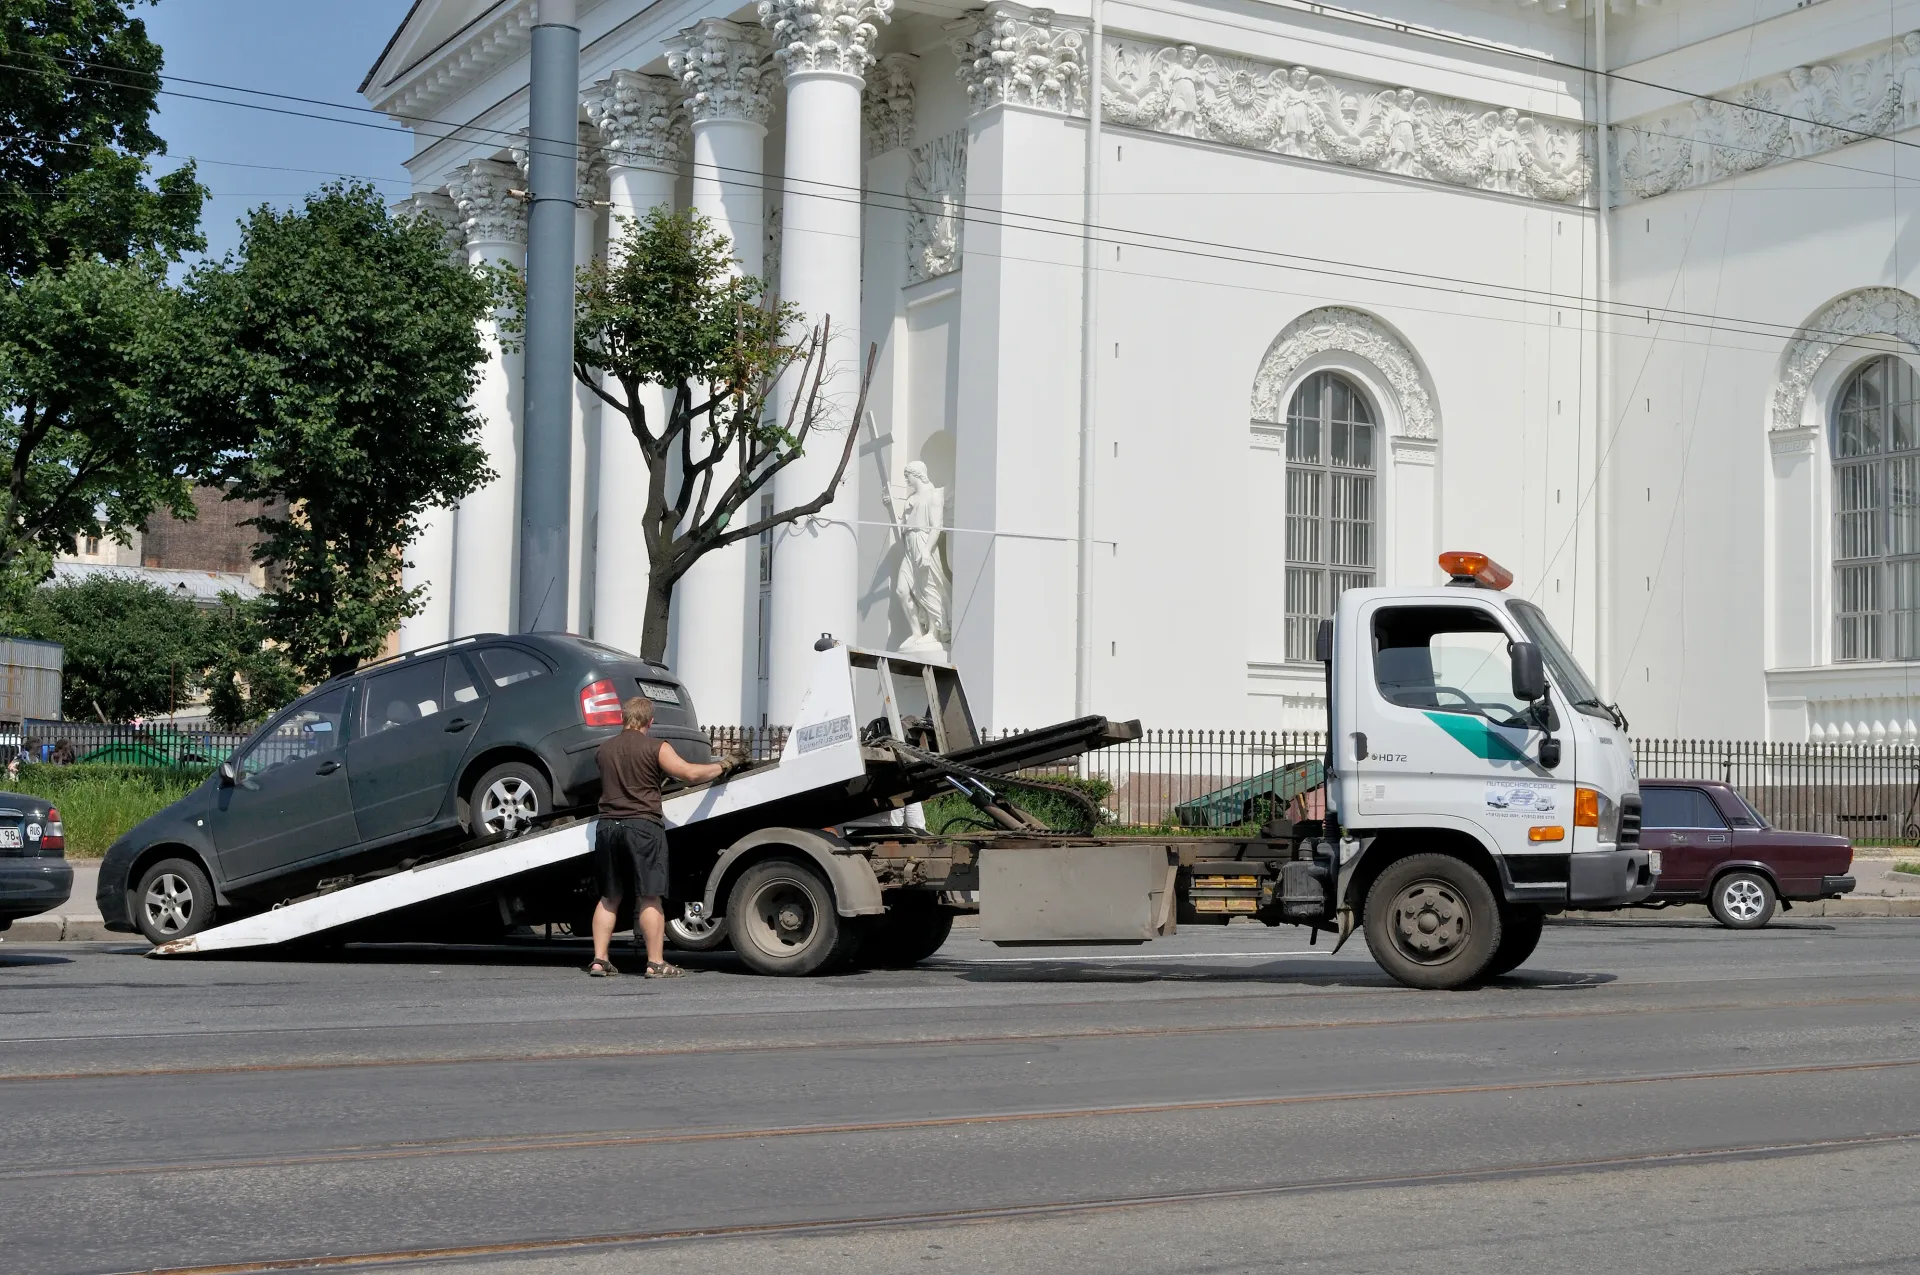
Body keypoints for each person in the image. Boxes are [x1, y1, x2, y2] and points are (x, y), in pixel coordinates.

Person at [588, 696, 733, 978]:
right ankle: (655, 963)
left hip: (607, 828)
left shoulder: (603, 750)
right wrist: (724, 766)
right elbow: (689, 773)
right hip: (642, 827)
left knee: (609, 896)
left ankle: (599, 960)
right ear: (649, 721)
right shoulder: (656, 747)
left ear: (623, 718)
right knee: (650, 896)